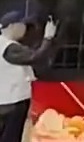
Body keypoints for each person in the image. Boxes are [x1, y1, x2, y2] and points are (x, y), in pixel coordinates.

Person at [0, 13, 56, 142]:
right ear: (13, 26)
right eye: (23, 25)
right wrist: (48, 37)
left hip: (6, 101)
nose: (25, 29)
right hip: (12, 102)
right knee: (11, 137)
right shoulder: (8, 47)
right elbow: (36, 57)